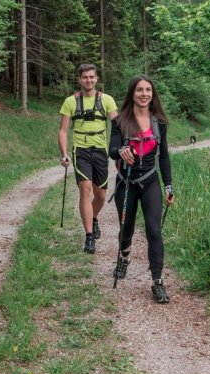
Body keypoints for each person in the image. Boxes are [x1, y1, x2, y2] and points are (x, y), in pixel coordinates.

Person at [108, 75, 174, 303]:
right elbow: (112, 150)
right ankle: (124, 257)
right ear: (132, 94)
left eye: (148, 90)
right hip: (125, 183)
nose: (144, 94)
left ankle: (157, 281)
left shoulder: (160, 122)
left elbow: (163, 156)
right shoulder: (119, 121)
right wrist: (121, 151)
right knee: (126, 229)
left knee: (154, 230)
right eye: (139, 90)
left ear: (152, 94)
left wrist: (168, 185)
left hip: (149, 182)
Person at [57, 64, 118, 254]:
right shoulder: (71, 102)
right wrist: (64, 153)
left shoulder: (106, 100)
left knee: (100, 195)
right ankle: (89, 237)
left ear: (97, 79)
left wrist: (120, 150)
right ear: (80, 79)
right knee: (85, 189)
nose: (88, 80)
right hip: (80, 150)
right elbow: (63, 131)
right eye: (85, 77)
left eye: (91, 77)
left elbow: (117, 126)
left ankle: (93, 217)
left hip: (100, 150)